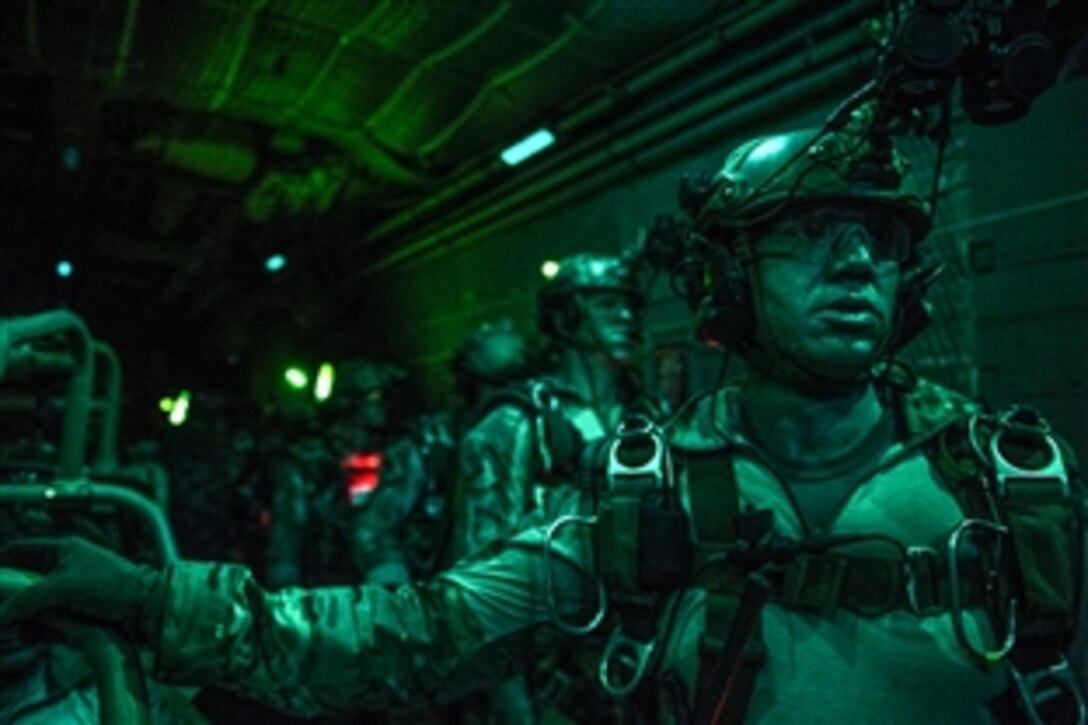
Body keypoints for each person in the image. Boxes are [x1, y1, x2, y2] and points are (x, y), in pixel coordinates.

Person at [1, 103, 1084, 724]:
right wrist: (152, 597)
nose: (856, 261)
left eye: (881, 241)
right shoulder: (641, 493)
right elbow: (413, 632)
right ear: (728, 283)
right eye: (810, 231)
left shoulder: (1009, 481)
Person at [349, 319, 536, 584]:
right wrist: (402, 596)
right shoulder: (430, 444)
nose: (510, 399)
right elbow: (373, 531)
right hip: (441, 594)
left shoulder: (535, 439)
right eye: (498, 387)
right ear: (471, 384)